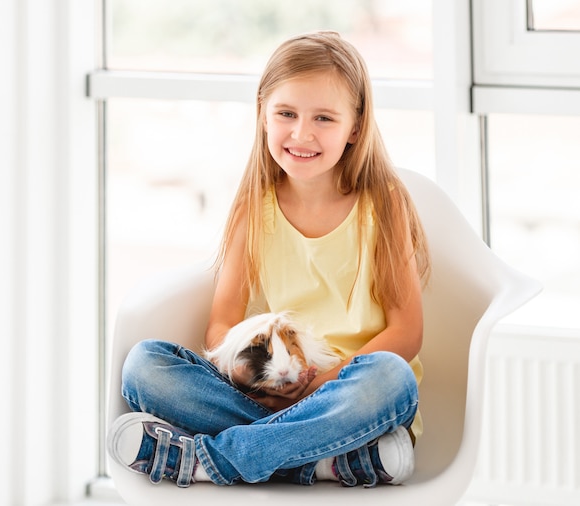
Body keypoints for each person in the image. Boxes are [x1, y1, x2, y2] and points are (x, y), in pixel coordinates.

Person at [107, 30, 430, 489]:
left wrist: (319, 386)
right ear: (262, 113)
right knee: (145, 367)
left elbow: (406, 333)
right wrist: (260, 386)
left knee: (391, 379)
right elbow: (221, 328)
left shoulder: (385, 203)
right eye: (286, 113)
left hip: (347, 396)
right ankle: (323, 462)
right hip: (264, 392)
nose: (302, 133)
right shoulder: (253, 207)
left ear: (355, 126)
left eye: (324, 117)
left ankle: (207, 460)